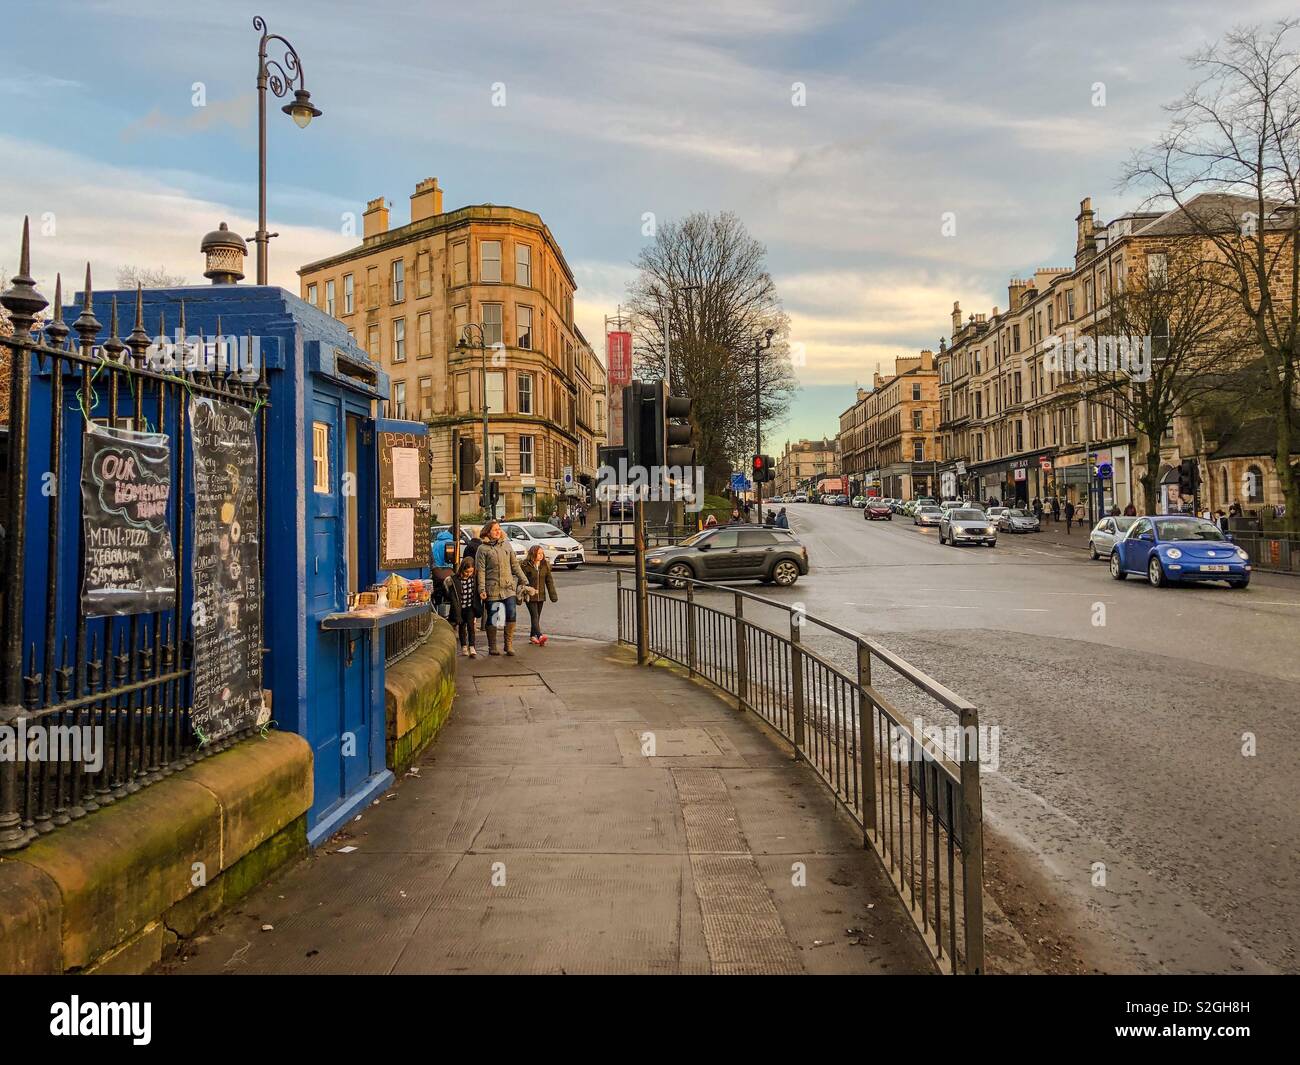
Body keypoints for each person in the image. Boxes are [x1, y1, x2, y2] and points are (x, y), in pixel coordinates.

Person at [476, 519, 526, 656]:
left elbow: (515, 565)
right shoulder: (482, 549)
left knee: (511, 613)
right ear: (488, 532)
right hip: (492, 588)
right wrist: (481, 589)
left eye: (499, 529)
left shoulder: (506, 545)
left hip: (508, 587)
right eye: (495, 530)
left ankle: (508, 645)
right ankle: (492, 646)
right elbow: (480, 571)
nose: (498, 532)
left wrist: (524, 579)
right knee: (494, 616)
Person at [521, 544, 558, 646]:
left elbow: (549, 581)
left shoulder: (544, 565)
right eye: (539, 553)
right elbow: (521, 581)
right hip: (530, 595)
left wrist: (553, 595)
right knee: (534, 616)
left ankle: (533, 637)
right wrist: (520, 595)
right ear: (533, 554)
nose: (541, 555)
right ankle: (540, 635)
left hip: (541, 596)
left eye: (542, 553)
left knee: (537, 617)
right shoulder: (525, 565)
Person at [445, 557, 482, 657]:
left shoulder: (474, 578)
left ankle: (472, 646)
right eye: (466, 572)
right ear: (462, 569)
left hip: (470, 606)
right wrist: (457, 615)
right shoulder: (455, 580)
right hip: (460, 607)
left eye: (471, 571)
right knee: (462, 626)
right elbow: (453, 598)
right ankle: (464, 646)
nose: (468, 574)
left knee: (471, 627)